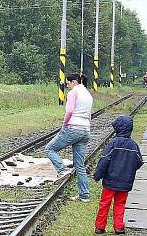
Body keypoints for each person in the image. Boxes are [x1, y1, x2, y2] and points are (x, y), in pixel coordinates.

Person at [92, 115, 144, 235]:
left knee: (105, 203)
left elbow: (104, 160)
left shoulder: (113, 143)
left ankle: (100, 227)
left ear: (117, 128)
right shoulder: (133, 145)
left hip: (110, 181)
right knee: (120, 204)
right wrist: (129, 169)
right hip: (125, 182)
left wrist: (97, 175)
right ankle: (119, 227)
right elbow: (139, 162)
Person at [46, 73, 93, 202]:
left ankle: (62, 170)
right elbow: (89, 116)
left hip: (73, 127)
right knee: (80, 165)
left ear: (74, 82)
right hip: (85, 130)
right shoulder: (87, 94)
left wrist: (64, 124)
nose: (67, 86)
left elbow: (70, 111)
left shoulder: (73, 93)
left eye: (67, 83)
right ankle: (84, 195)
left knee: (50, 149)